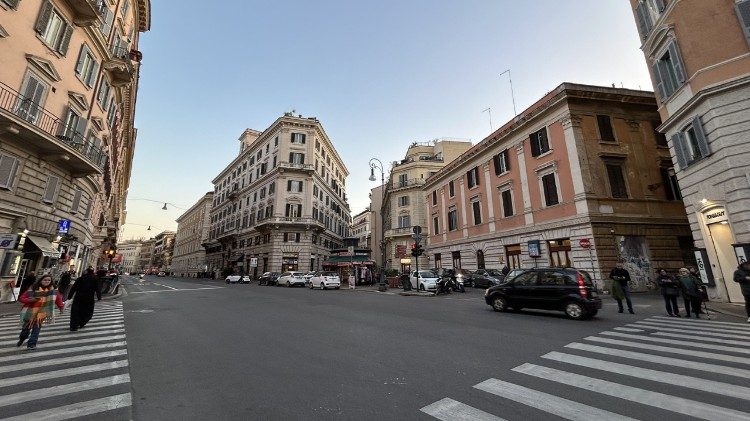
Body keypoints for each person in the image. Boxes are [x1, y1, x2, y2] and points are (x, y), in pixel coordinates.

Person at [17, 274, 64, 350]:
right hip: (30, 312)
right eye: (45, 280)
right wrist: (30, 300)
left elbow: (58, 300)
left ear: (51, 281)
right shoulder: (33, 288)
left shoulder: (53, 290)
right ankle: (22, 338)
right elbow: (21, 298)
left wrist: (61, 308)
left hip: (42, 313)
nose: (47, 281)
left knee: (36, 329)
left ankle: (32, 344)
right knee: (25, 330)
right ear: (41, 280)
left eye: (49, 280)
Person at [68, 267, 102, 331]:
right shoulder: (95, 279)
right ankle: (82, 322)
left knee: (76, 311)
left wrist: (69, 297)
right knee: (87, 311)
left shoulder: (80, 278)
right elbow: (98, 289)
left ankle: (74, 325)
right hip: (89, 298)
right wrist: (99, 297)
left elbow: (73, 288)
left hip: (78, 297)